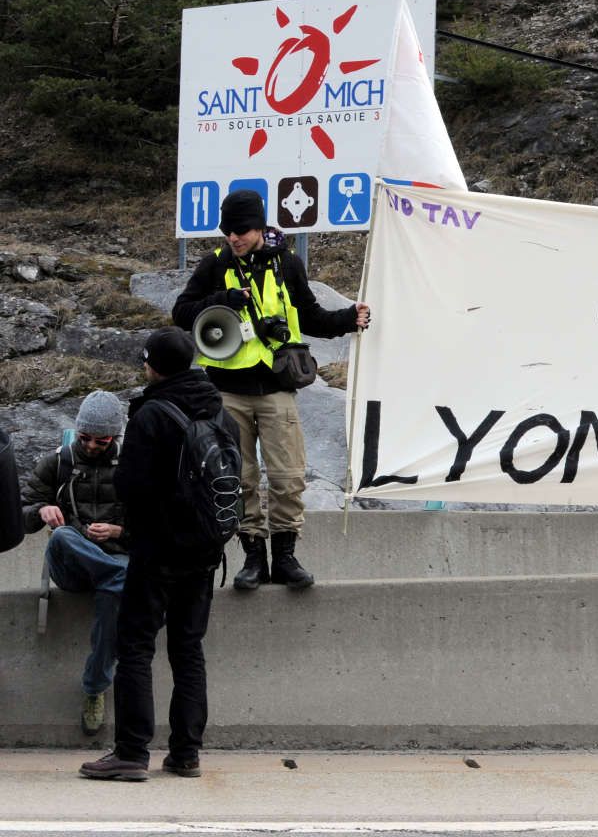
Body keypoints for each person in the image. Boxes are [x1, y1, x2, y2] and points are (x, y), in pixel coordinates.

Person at [172, 188, 370, 590]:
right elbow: (181, 313)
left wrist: (349, 318)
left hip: (278, 387)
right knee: (238, 477)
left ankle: (285, 557)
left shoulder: (288, 263)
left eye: (241, 230)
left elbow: (310, 316)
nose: (234, 238)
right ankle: (251, 559)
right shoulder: (215, 265)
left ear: (260, 226)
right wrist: (222, 300)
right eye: (228, 231)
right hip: (227, 390)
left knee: (287, 475)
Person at [80, 328, 237, 782]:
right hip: (206, 550)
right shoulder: (217, 410)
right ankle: (186, 754)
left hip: (158, 549)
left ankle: (131, 751)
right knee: (188, 648)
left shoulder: (152, 414)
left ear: (153, 364)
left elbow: (129, 485)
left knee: (135, 645)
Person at [20, 390, 129, 736]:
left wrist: (118, 529)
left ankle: (94, 688)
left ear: (116, 436)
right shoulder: (58, 462)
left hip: (115, 555)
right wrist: (41, 510)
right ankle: (123, 575)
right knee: (64, 537)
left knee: (114, 591)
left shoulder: (134, 465)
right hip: (74, 564)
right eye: (85, 438)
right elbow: (19, 513)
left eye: (102, 440)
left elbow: (159, 523)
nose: (92, 446)